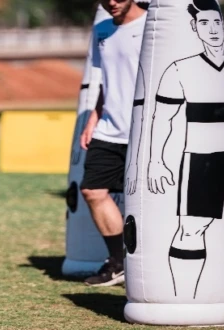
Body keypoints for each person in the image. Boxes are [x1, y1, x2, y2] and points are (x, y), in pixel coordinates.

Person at [126, 0, 224, 299]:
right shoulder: (180, 68)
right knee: (191, 230)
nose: (213, 29)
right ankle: (180, 301)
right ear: (194, 28)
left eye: (216, 22)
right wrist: (155, 161)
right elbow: (162, 119)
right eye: (204, 23)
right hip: (201, 159)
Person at [79, 0, 146, 286]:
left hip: (147, 129)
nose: (112, 3)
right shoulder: (103, 29)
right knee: (92, 191)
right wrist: (93, 118)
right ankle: (117, 264)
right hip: (109, 128)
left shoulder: (154, 25)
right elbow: (107, 81)